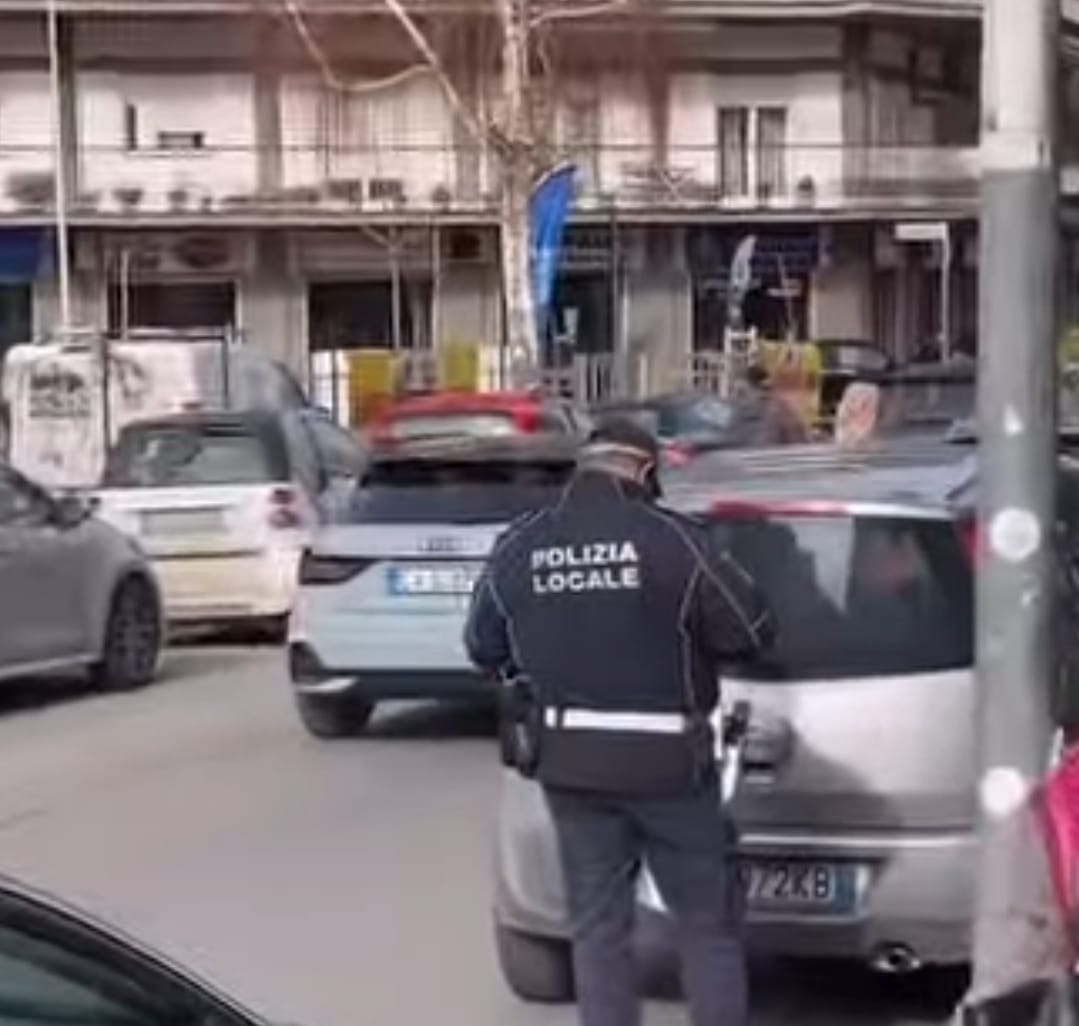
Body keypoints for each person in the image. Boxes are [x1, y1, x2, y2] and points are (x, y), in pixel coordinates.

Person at [464, 416, 775, 1026]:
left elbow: (482, 645)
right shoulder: (674, 541)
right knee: (706, 929)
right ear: (646, 471)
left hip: (570, 765)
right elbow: (750, 630)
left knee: (598, 928)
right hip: (670, 768)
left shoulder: (523, 543)